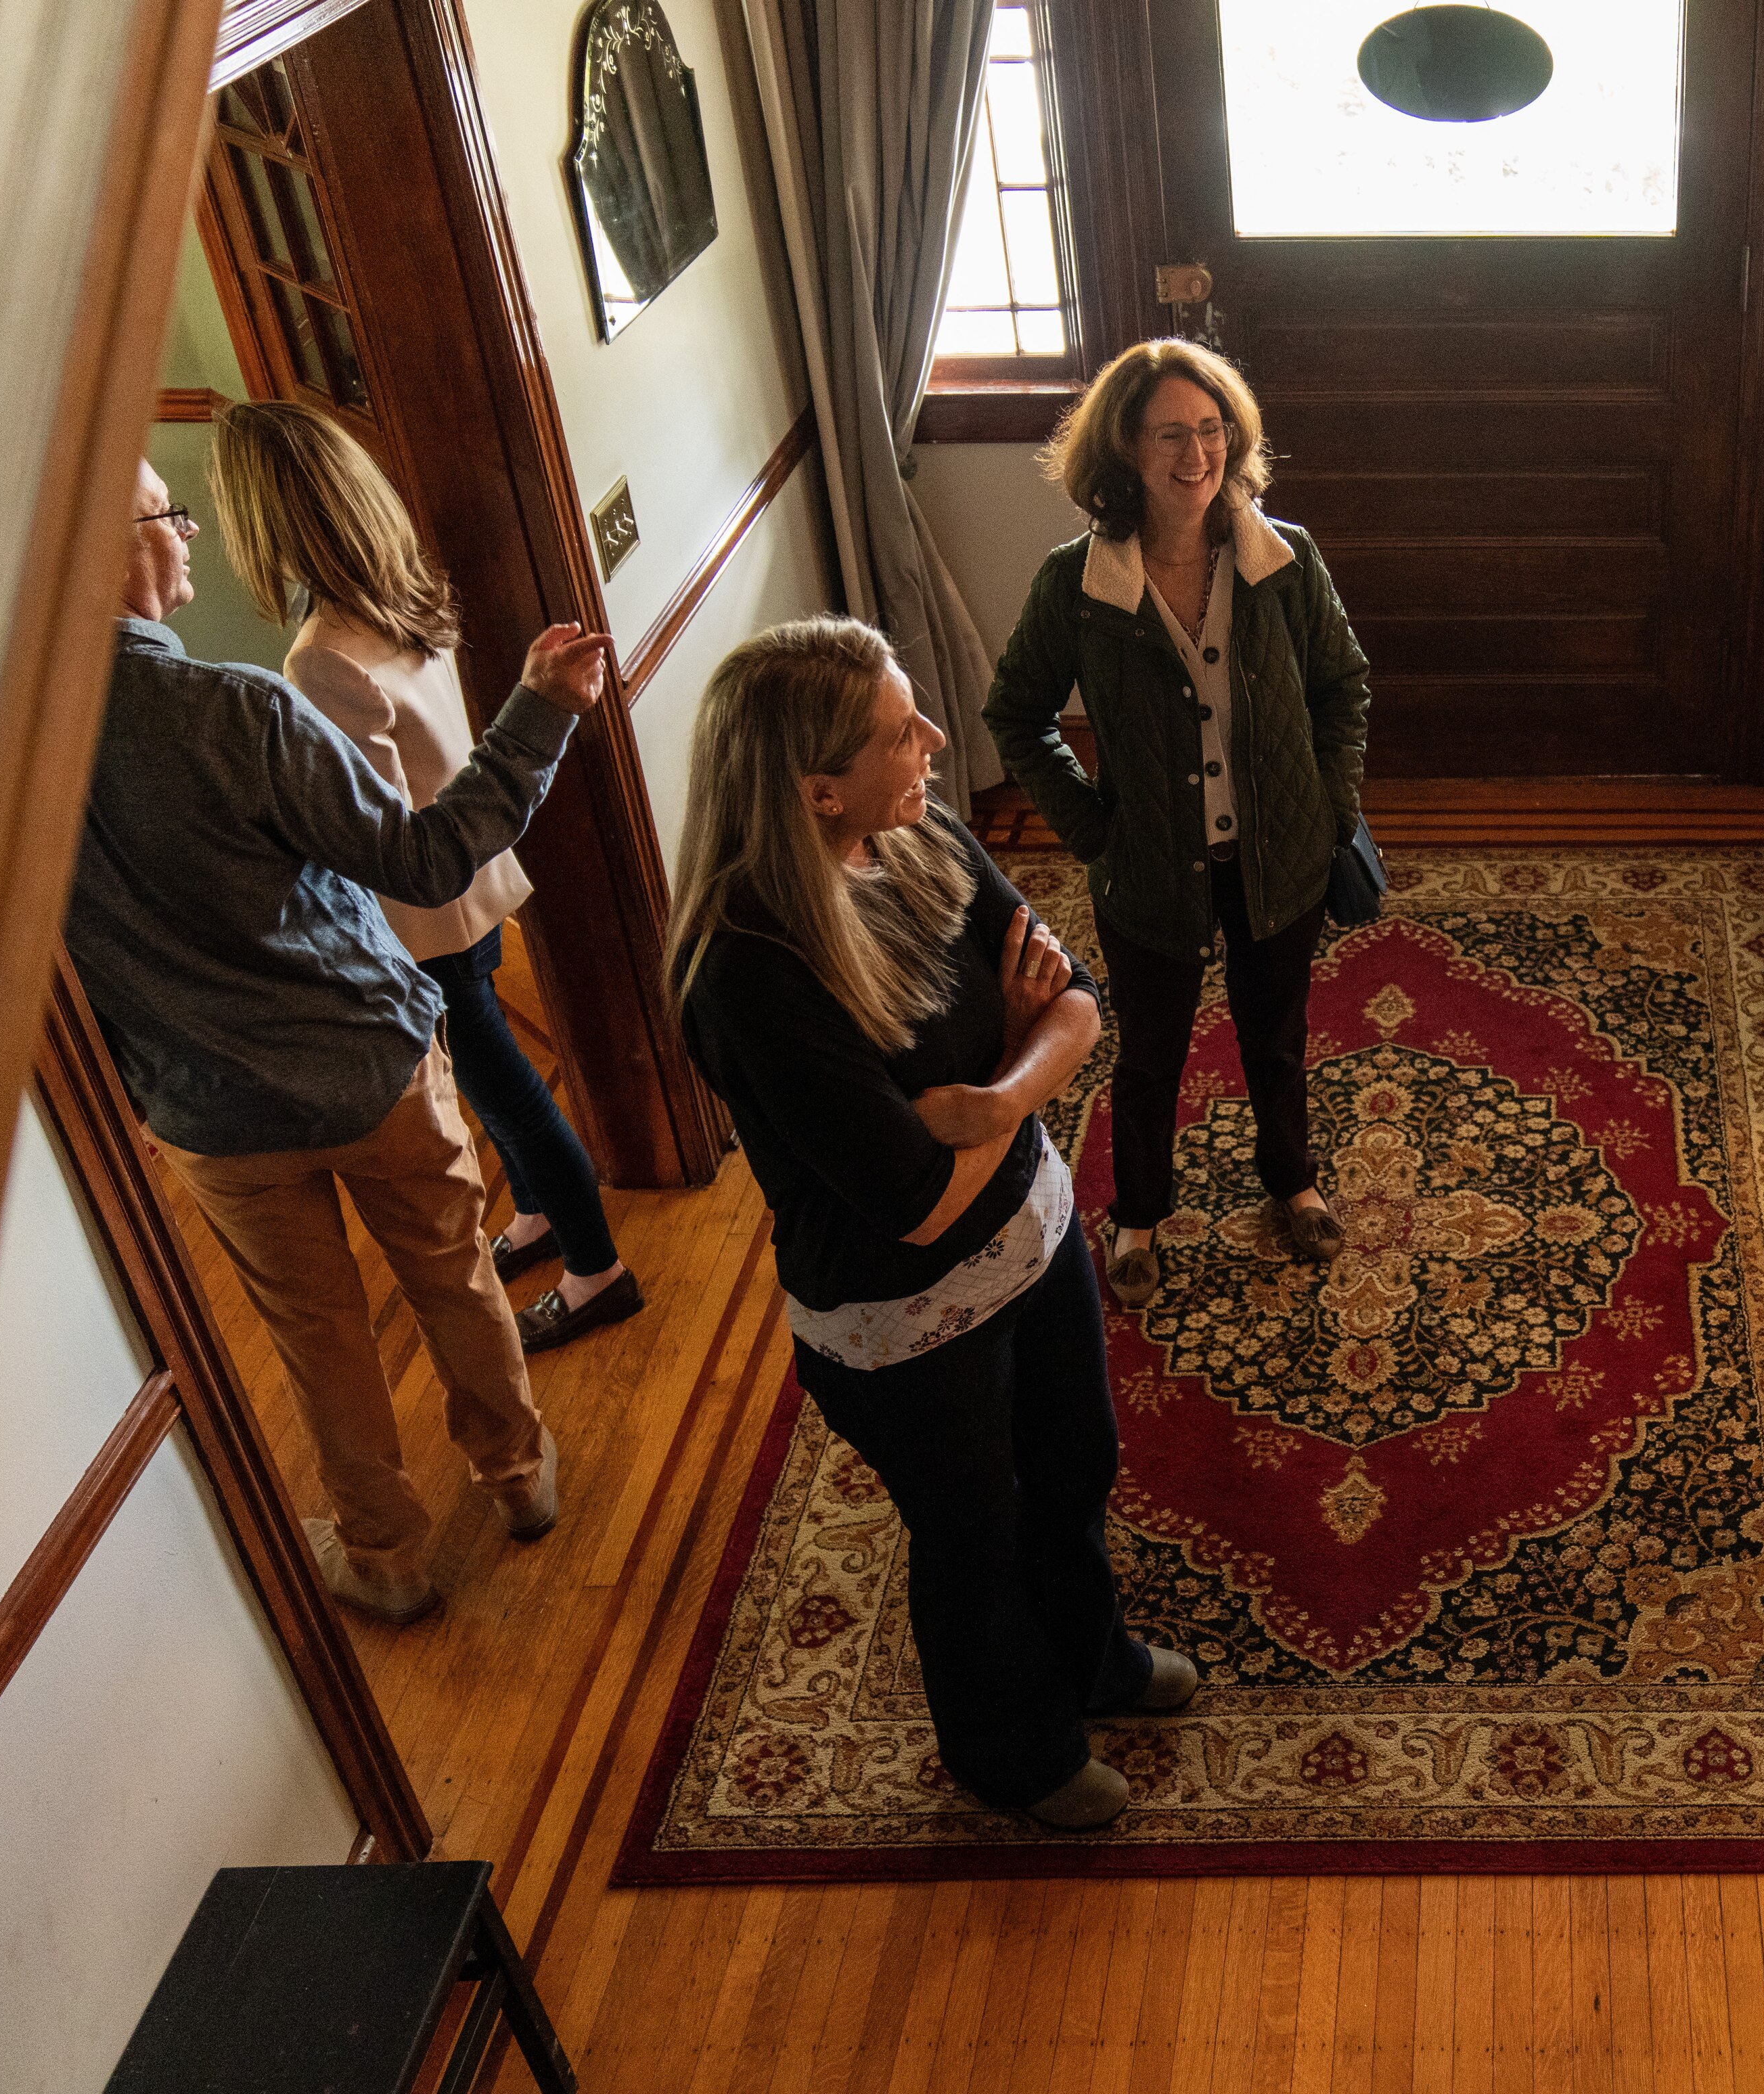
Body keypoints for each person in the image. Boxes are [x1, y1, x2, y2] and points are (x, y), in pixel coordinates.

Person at [671, 617, 1198, 1831]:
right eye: (899, 730)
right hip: (902, 1324)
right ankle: (1013, 1752)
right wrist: (1018, 1081)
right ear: (818, 790)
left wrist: (1000, 1090)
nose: (934, 740)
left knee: (1077, 1467)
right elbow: (912, 1211)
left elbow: (1073, 1004)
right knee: (976, 1540)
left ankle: (1097, 1661)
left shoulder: (916, 832)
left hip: (1032, 1237)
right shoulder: (747, 972)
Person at [67, 459, 614, 1624]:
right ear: (98, 550)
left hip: (210, 1116)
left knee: (317, 1341)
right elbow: (423, 860)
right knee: (454, 1272)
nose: (190, 529)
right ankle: (518, 1476)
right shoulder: (240, 710)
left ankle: (388, 1556)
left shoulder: (4, 776)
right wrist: (539, 714)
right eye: (166, 512)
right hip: (370, 1066)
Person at [208, 399, 644, 1355]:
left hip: (420, 912)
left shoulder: (320, 656)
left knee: (501, 1086)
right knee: (489, 1076)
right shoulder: (404, 595)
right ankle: (533, 1213)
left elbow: (375, 833)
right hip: (472, 881)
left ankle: (596, 1267)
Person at [984, 338, 1370, 1311]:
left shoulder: (1285, 560)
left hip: (1278, 860)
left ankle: (1293, 1181)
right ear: (1125, 447)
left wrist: (1328, 809)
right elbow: (1016, 714)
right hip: (1149, 867)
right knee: (1152, 1052)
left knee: (1275, 1038)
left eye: (1211, 431)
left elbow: (1344, 685)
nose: (1196, 455)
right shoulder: (1075, 584)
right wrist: (1094, 828)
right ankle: (1140, 1214)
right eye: (1171, 434)